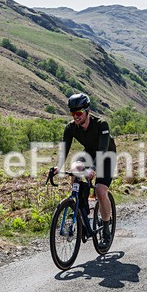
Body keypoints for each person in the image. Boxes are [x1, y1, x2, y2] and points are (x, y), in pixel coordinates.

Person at [52, 93, 117, 248]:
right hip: (89, 153)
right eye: (73, 113)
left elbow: (102, 151)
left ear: (88, 111)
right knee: (74, 169)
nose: (75, 116)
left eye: (79, 113)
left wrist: (93, 168)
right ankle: (80, 205)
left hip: (106, 155)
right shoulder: (70, 128)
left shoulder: (101, 125)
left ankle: (106, 229)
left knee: (101, 192)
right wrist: (58, 167)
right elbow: (64, 148)